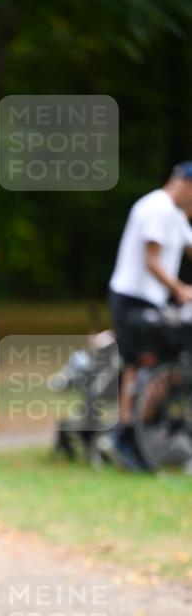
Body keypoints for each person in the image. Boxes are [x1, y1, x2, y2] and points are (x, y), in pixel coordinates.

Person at [103, 161, 192, 470]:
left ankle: (134, 429)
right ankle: (126, 432)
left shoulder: (175, 215)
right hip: (132, 298)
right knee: (141, 361)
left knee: (156, 360)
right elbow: (151, 259)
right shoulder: (157, 208)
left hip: (147, 301)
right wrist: (180, 289)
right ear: (186, 184)